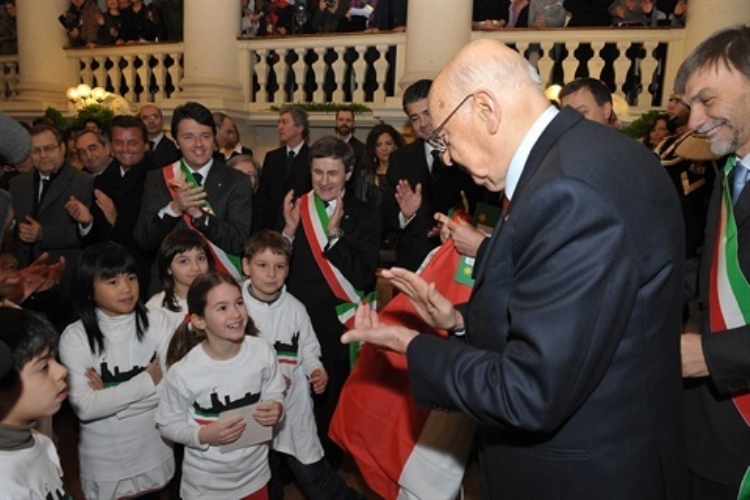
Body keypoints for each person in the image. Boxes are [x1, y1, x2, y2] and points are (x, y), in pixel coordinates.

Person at [342, 38, 686, 499]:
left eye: (445, 138)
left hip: (581, 478)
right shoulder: (587, 154)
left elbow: (531, 391)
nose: (446, 157)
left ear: (486, 109)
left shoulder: (568, 189)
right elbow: (559, 314)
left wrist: (412, 345)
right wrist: (458, 319)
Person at [675, 24, 750, 499]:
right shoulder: (731, 171)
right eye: (690, 105)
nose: (694, 121)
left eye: (706, 100)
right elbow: (709, 269)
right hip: (711, 429)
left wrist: (708, 356)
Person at [241, 230, 361, 500]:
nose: (271, 274)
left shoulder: (295, 308)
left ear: (288, 270)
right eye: (262, 265)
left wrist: (315, 369)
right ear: (246, 266)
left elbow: (308, 348)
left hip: (293, 405)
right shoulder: (236, 307)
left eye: (279, 266)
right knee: (262, 475)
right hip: (253, 407)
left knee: (312, 471)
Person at [282, 136, 380, 468]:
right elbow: (272, 267)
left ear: (348, 173)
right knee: (292, 405)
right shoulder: (295, 207)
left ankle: (327, 475)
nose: (324, 181)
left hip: (336, 328)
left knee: (329, 411)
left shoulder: (365, 214)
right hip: (295, 325)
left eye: (332, 173)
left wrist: (336, 236)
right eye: (318, 172)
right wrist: (288, 232)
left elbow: (363, 276)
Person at [59, 242, 175, 499]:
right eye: (112, 282)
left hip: (154, 453)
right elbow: (85, 408)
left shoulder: (158, 321)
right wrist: (147, 381)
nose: (126, 288)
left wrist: (108, 399)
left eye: (131, 277)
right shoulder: (75, 337)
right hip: (106, 466)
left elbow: (174, 392)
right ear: (89, 290)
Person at [156, 271, 286, 499]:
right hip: (206, 489)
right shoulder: (184, 372)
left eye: (239, 303)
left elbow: (275, 392)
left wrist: (277, 408)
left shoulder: (262, 351)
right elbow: (167, 424)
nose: (236, 313)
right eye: (222, 308)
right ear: (199, 320)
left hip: (255, 478)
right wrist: (203, 435)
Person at [134, 101, 253, 276]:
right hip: (171, 283)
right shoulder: (158, 178)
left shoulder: (237, 180)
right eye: (188, 137)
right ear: (176, 142)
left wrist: (200, 216)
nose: (199, 144)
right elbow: (144, 240)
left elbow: (239, 243)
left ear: (214, 139)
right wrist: (174, 208)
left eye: (205, 136)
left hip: (218, 282)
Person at [385, 79, 483, 271]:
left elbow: (488, 209)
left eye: (427, 113)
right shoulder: (400, 159)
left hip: (459, 261)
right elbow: (385, 214)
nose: (423, 124)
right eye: (415, 118)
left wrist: (457, 224)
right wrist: (405, 215)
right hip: (414, 265)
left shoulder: (469, 152)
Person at [9, 124, 93, 326]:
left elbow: (86, 234)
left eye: (49, 148)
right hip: (23, 284)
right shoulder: (17, 184)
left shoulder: (83, 181)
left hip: (63, 283)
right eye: (36, 150)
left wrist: (43, 234)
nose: (43, 155)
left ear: (62, 148)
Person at [0, 308, 68, 498]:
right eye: (44, 367)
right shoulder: (5, 483)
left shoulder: (43, 444)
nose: (62, 371)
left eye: (55, 359)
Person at [254, 105, 311, 232]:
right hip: (271, 227)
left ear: (300, 127)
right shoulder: (272, 157)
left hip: (301, 227)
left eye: (284, 122)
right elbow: (262, 196)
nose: (279, 127)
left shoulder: (312, 158)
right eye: (278, 122)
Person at [146, 228, 213, 329]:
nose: (195, 267)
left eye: (200, 258)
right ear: (168, 268)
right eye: (184, 261)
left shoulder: (222, 296)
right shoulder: (156, 308)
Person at [139, 104, 181, 170]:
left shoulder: (173, 149)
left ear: (162, 120)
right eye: (145, 118)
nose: (151, 121)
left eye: (155, 117)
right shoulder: (134, 147)